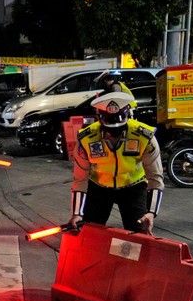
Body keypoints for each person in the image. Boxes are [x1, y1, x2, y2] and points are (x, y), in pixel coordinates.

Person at [68, 92, 163, 234]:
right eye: (109, 129)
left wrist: (151, 212)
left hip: (133, 188)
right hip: (99, 187)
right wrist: (77, 213)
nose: (114, 134)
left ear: (128, 115)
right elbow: (80, 179)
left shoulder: (145, 137)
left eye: (119, 129)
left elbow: (155, 177)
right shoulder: (86, 139)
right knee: (88, 232)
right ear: (99, 119)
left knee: (139, 233)